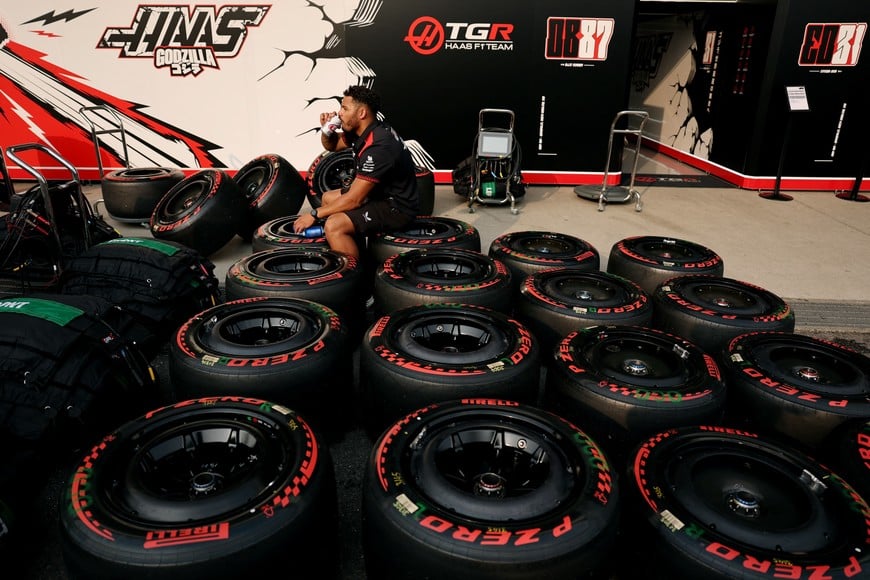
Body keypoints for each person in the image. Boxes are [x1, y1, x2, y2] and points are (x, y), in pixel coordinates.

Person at [293, 85, 419, 258]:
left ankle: (351, 277)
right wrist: (326, 130)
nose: (339, 113)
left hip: (397, 207)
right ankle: (355, 244)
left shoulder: (379, 145)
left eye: (344, 108)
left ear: (361, 113)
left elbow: (354, 200)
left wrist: (313, 214)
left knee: (334, 225)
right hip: (379, 193)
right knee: (327, 198)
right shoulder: (364, 130)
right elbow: (333, 145)